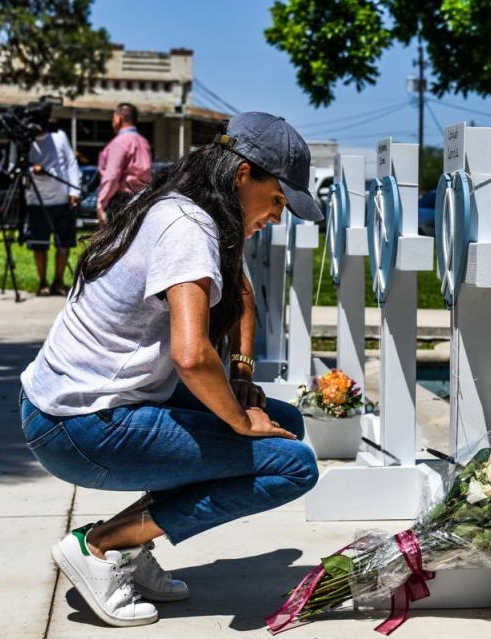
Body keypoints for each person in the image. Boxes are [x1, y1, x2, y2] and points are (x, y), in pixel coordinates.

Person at [19, 112, 325, 627]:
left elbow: (242, 292)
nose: (278, 216)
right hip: (79, 426)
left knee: (286, 426)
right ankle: (101, 545)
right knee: (292, 465)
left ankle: (131, 547)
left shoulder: (189, 206)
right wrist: (237, 420)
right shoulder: (187, 227)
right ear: (243, 173)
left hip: (82, 406)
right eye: (277, 200)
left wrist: (244, 378)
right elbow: (191, 356)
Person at [22, 104, 82, 297]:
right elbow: (17, 168)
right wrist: (33, 170)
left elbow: (71, 162)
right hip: (36, 201)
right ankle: (42, 283)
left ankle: (58, 281)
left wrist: (74, 191)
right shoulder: (25, 140)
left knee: (63, 244)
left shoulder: (59, 136)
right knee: (39, 245)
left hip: (63, 199)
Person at [97, 102, 152, 225]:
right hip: (141, 198)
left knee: (115, 242)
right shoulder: (143, 142)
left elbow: (112, 176)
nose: (112, 121)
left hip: (121, 200)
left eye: (113, 117)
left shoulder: (120, 142)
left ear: (119, 118)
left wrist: (102, 202)